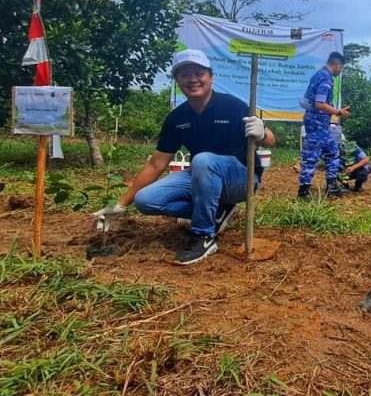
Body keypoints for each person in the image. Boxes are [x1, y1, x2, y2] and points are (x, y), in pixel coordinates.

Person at [92, 49, 276, 265]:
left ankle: (203, 236)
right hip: (201, 174)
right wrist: (122, 204)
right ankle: (216, 210)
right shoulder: (177, 118)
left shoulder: (232, 106)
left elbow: (270, 140)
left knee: (203, 160)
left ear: (211, 77)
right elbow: (157, 163)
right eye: (184, 74)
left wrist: (262, 132)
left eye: (199, 73)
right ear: (177, 81)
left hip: (241, 178)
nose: (193, 79)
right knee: (145, 200)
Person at [298, 52, 350, 199]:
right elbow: (319, 104)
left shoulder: (319, 75)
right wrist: (339, 112)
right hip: (316, 124)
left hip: (322, 125)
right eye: (341, 68)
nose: (340, 71)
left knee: (333, 151)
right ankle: (303, 192)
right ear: (336, 64)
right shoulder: (326, 79)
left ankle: (331, 186)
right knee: (311, 156)